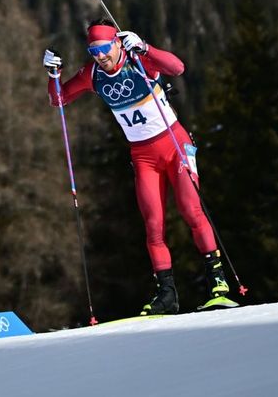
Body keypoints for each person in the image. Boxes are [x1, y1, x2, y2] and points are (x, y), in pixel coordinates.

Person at [43, 19, 235, 315]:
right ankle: (167, 295)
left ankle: (218, 284)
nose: (100, 56)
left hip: (173, 144)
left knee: (191, 210)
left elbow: (178, 68)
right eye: (93, 50)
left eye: (105, 47)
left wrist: (145, 47)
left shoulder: (138, 59)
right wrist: (53, 74)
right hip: (143, 155)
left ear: (118, 43)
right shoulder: (92, 74)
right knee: (153, 225)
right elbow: (58, 99)